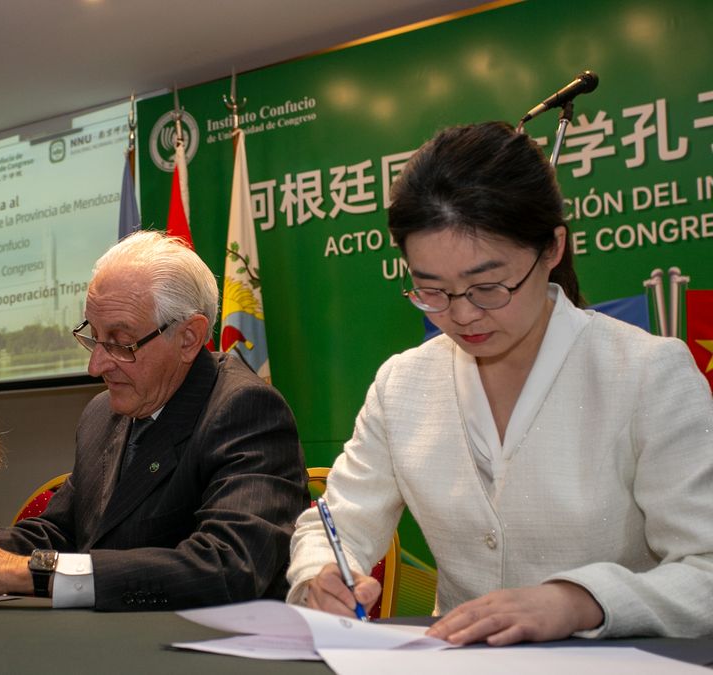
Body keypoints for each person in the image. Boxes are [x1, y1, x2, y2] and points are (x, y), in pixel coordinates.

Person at [286, 121, 713, 644]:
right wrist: (322, 574)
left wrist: (581, 600)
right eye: (432, 290)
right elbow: (335, 524)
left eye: (488, 285)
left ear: (552, 248)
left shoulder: (646, 373)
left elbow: (705, 569)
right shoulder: (404, 384)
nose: (462, 315)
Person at [0, 231, 307, 611]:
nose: (96, 365)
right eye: (93, 336)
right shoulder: (103, 413)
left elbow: (228, 567)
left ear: (189, 337)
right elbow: (60, 534)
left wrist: (27, 574)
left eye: (121, 343)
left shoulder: (245, 410)